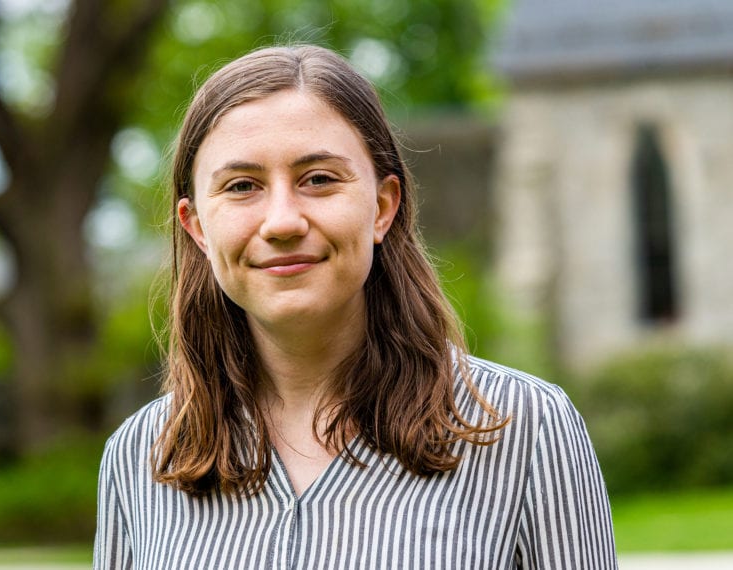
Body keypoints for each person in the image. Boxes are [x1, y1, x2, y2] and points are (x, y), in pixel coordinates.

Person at [94, 44, 618, 569]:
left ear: (383, 207)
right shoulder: (139, 458)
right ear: (198, 227)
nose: (282, 222)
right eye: (242, 186)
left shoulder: (524, 429)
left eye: (318, 179)